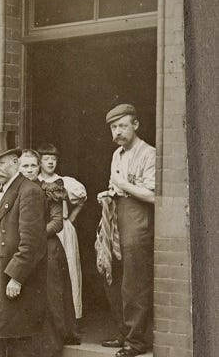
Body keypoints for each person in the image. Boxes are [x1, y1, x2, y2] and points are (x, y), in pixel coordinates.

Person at [0, 131, 47, 357]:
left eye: (0, 163)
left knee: (18, 341)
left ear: (16, 162)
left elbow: (32, 242)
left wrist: (17, 277)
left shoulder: (29, 191)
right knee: (3, 339)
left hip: (14, 280)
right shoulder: (2, 191)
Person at [97, 104, 155, 357]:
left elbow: (153, 196)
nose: (117, 131)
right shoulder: (117, 154)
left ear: (136, 125)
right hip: (116, 216)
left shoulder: (149, 153)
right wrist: (110, 193)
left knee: (135, 282)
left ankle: (137, 341)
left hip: (137, 220)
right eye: (113, 127)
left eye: (122, 125)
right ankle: (124, 332)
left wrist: (122, 185)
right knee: (111, 273)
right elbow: (117, 186)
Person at [20, 148, 75, 357]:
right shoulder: (14, 191)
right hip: (24, 252)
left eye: (33, 165)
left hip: (48, 249)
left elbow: (57, 222)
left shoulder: (49, 189)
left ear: (39, 167)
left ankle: (50, 349)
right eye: (25, 166)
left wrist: (33, 238)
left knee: (50, 297)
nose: (29, 170)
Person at [37, 142, 87, 341]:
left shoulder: (64, 181)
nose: (51, 162)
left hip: (62, 231)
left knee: (69, 275)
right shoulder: (34, 180)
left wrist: (70, 219)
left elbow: (82, 198)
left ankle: (73, 320)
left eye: (54, 158)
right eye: (47, 158)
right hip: (41, 230)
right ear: (39, 161)